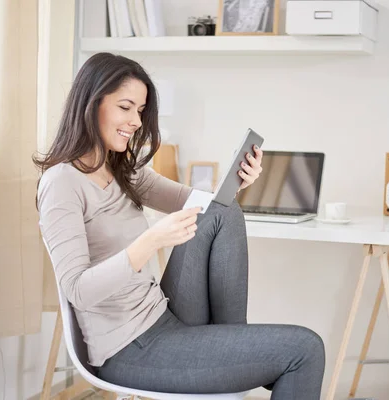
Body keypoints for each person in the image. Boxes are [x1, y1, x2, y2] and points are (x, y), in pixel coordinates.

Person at [34, 52, 325, 399]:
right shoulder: (61, 183)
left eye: (140, 111)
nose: (136, 121)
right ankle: (237, 356)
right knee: (305, 349)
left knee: (223, 211)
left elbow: (202, 205)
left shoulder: (124, 170)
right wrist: (151, 241)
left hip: (163, 316)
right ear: (91, 103)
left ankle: (233, 345)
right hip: (128, 349)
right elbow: (77, 290)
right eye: (125, 107)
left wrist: (239, 183)